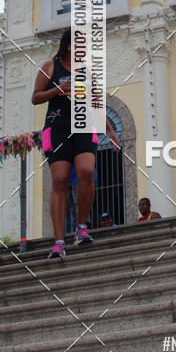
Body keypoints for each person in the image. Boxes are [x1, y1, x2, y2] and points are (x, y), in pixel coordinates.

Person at [32, 28, 120, 259]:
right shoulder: (51, 66)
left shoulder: (87, 71)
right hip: (57, 129)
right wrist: (58, 89)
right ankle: (59, 241)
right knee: (60, 181)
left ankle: (82, 227)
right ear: (69, 45)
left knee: (86, 171)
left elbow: (96, 102)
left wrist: (110, 130)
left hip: (83, 126)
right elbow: (35, 97)